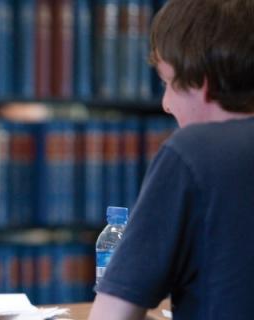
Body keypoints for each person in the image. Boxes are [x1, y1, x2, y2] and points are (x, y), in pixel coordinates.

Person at [89, 0, 254, 319]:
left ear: (202, 83)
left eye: (167, 83)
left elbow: (112, 315)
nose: (165, 104)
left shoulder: (194, 153)